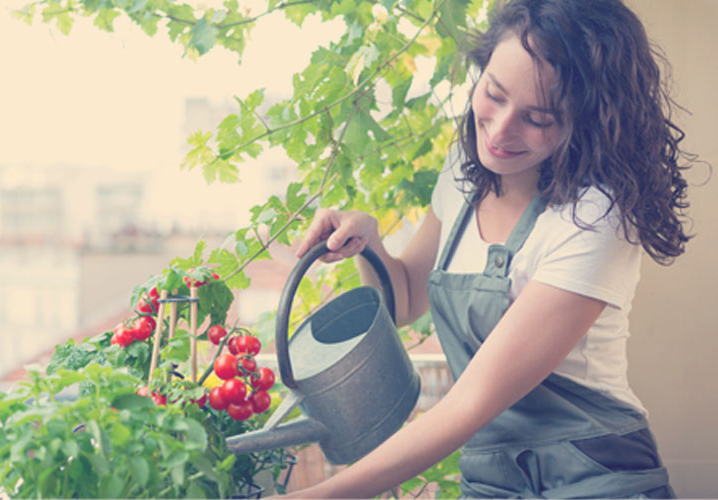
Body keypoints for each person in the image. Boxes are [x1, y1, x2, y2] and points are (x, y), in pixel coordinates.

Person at [286, 0, 694, 497]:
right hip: (493, 479)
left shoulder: (595, 217)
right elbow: (408, 297)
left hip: (594, 477)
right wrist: (370, 247)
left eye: (538, 118)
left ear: (583, 121)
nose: (500, 131)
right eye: (494, 94)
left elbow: (470, 403)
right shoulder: (463, 172)